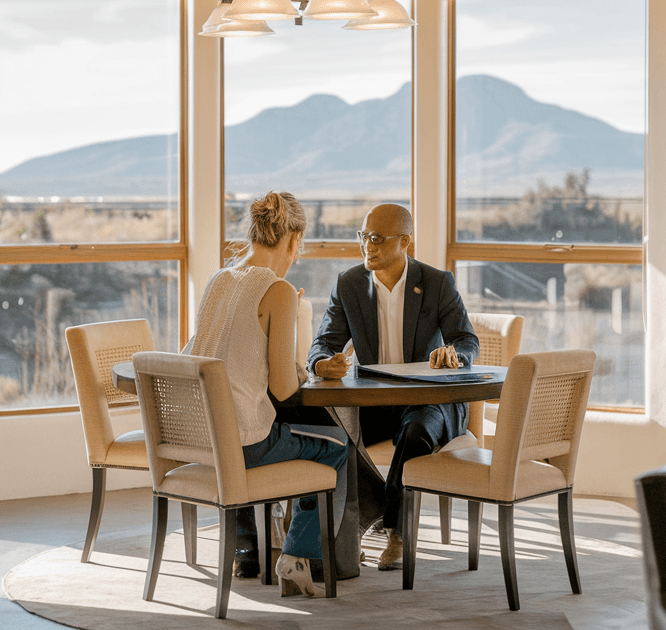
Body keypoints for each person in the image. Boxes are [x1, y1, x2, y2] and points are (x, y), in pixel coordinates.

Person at [186, 191, 346, 598]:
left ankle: (247, 549)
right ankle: (297, 554)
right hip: (243, 448)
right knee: (338, 446)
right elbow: (282, 388)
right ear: (294, 241)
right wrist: (299, 360)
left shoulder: (219, 280)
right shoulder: (278, 291)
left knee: (256, 424)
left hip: (200, 439)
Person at [306, 203, 479, 570]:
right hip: (375, 403)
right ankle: (382, 509)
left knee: (414, 431)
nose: (367, 246)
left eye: (377, 239)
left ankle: (396, 530)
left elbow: (467, 340)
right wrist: (323, 363)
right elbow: (323, 342)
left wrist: (453, 355)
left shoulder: (436, 283)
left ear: (405, 241)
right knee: (330, 432)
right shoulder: (349, 284)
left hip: (429, 402)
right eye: (363, 236)